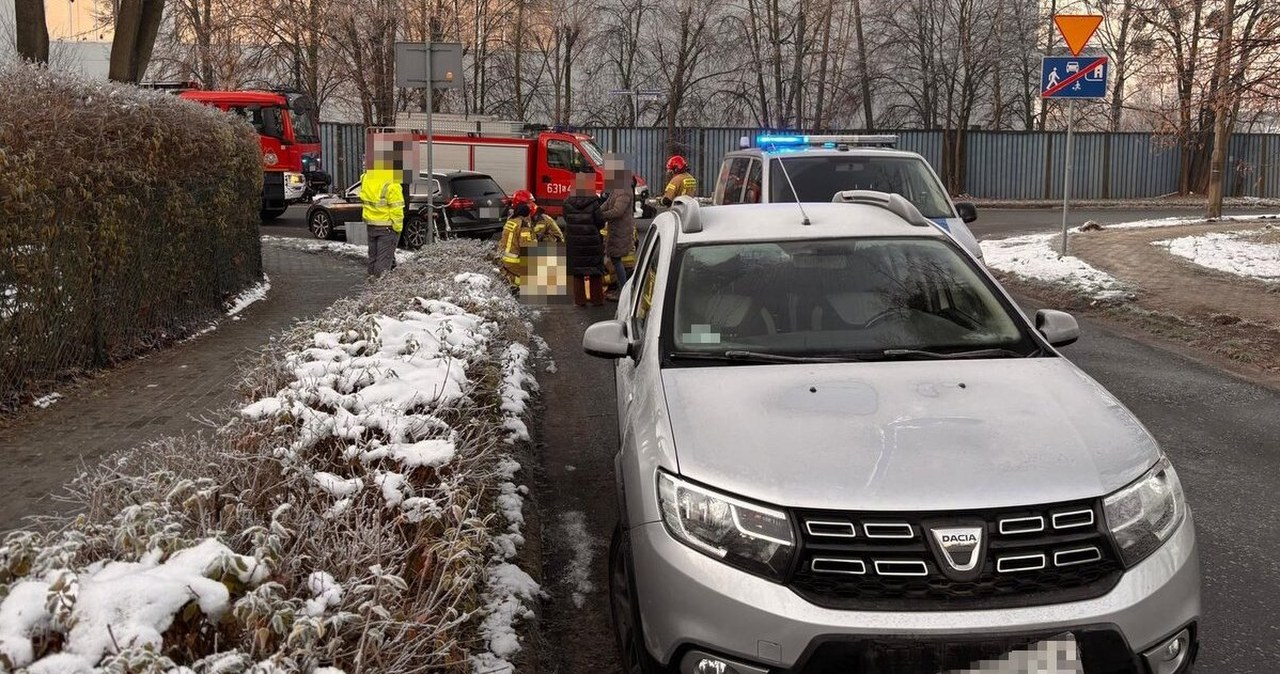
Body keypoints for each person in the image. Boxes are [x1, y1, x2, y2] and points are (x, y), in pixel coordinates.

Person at [498, 189, 564, 289]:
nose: (532, 205)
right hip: (517, 261)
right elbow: (528, 248)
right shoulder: (523, 223)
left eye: (532, 202)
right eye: (529, 203)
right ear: (522, 205)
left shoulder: (513, 219)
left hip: (508, 260)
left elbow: (559, 238)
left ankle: (513, 279)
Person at [360, 144, 406, 277]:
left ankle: (371, 285)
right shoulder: (392, 183)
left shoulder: (366, 178)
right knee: (383, 262)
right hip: (387, 227)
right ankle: (380, 291)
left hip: (371, 225)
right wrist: (397, 228)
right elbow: (396, 209)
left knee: (373, 259)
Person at [562, 174, 608, 307]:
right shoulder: (594, 203)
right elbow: (600, 222)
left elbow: (566, 219)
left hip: (574, 243)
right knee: (595, 272)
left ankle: (580, 301)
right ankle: (597, 300)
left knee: (577, 273)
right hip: (592, 242)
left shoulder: (567, 203)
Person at [599, 159, 637, 302]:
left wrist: (601, 216)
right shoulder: (618, 189)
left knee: (616, 259)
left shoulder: (624, 190)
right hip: (616, 230)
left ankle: (623, 291)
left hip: (621, 231)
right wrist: (596, 211)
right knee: (615, 259)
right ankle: (622, 289)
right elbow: (607, 204)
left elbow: (617, 211)